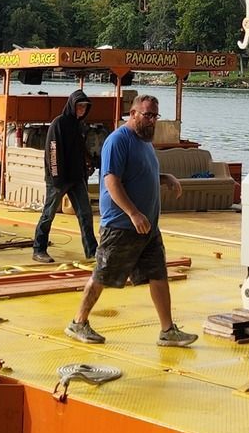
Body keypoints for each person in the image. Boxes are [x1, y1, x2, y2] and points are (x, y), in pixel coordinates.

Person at [66, 93, 197, 348]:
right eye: (147, 115)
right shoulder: (118, 141)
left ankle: (167, 330)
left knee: (158, 274)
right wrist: (133, 213)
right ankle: (78, 322)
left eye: (155, 116)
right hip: (122, 225)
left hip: (147, 227)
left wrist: (165, 177)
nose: (151, 121)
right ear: (133, 113)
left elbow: (141, 173)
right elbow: (111, 181)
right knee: (103, 274)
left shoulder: (145, 142)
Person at [32, 87, 97, 263]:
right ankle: (39, 249)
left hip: (76, 178)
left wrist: (90, 162)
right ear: (72, 105)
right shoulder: (58, 124)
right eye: (79, 106)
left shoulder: (79, 126)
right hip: (58, 179)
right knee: (48, 214)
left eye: (84, 107)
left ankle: (92, 251)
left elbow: (81, 149)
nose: (81, 110)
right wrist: (56, 178)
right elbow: (52, 151)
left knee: (85, 214)